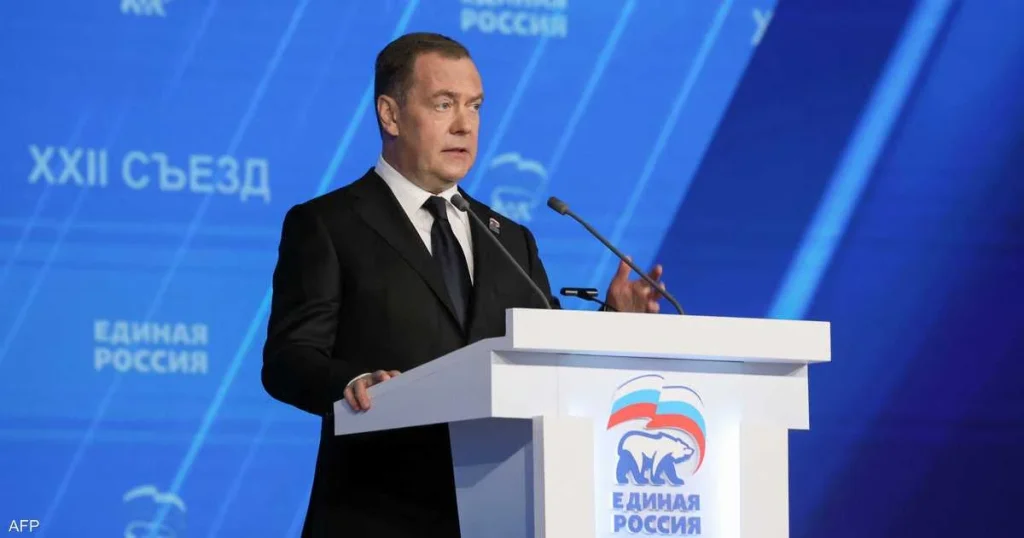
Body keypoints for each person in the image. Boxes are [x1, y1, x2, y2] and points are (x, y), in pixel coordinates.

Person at [261, 32, 668, 538]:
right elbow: (288, 359)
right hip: (377, 514)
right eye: (443, 104)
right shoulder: (329, 224)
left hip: (503, 515)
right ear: (390, 115)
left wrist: (614, 323)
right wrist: (351, 383)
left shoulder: (510, 240)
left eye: (474, 106)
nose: (464, 124)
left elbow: (548, 362)